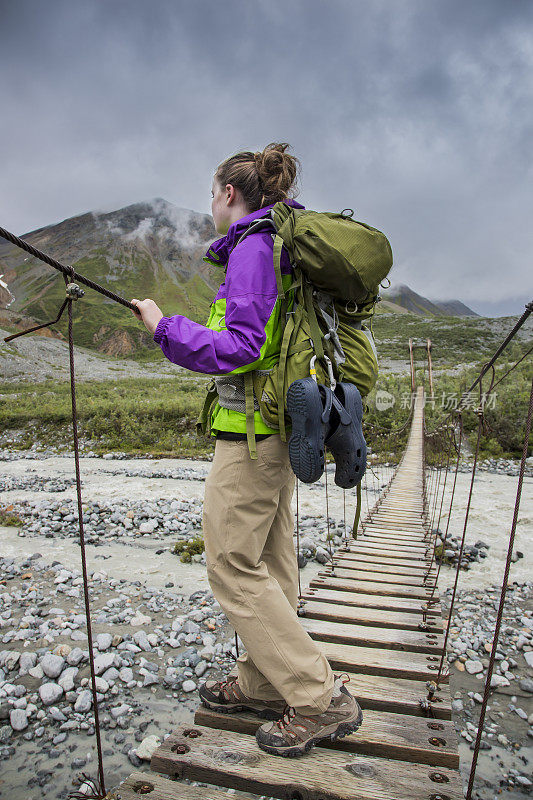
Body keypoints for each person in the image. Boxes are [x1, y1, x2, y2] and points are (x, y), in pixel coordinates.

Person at [130, 142, 363, 757]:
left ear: (230, 194)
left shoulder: (255, 245)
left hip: (254, 439)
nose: (209, 205)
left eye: (212, 194)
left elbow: (241, 346)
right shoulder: (273, 245)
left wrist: (163, 328)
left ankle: (317, 698)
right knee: (272, 560)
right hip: (273, 432)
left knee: (230, 565)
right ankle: (263, 683)